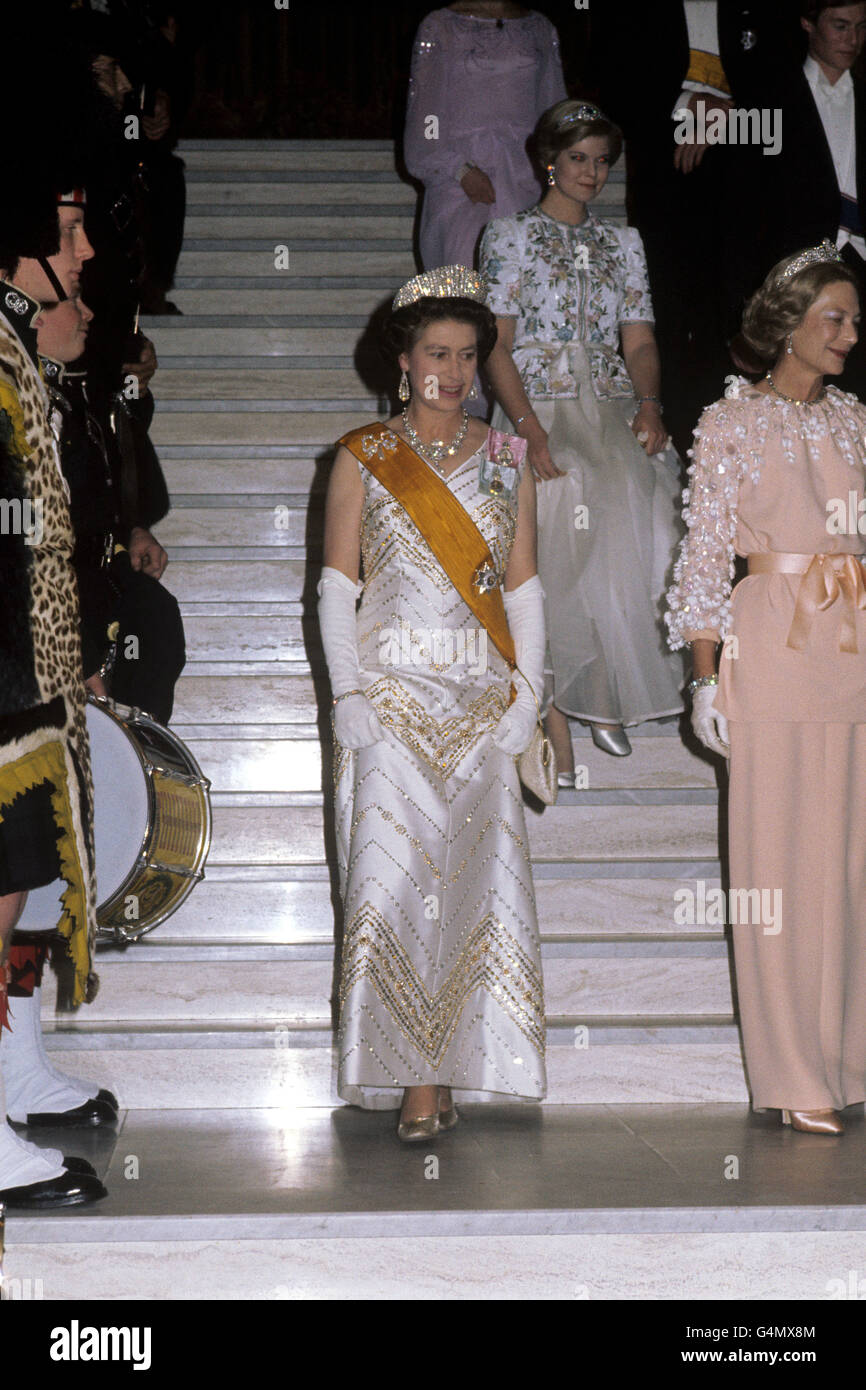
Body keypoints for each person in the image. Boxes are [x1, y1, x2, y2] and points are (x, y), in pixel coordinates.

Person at [319, 265, 546, 1139]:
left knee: (472, 894)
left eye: (468, 355)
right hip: (390, 700)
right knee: (393, 886)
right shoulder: (363, 456)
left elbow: (524, 592)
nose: (452, 371)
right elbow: (337, 589)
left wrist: (528, 697)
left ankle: (453, 1065)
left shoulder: (507, 460)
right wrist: (347, 693)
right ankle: (413, 1077)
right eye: (436, 353)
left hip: (480, 702)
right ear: (405, 361)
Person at [666, 241, 866, 1134]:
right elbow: (705, 555)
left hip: (856, 648)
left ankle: (851, 1057)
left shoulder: (858, 420)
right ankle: (794, 1073)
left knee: (853, 867)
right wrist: (704, 677)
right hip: (772, 650)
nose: (851, 335)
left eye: (855, 320)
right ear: (787, 323)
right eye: (835, 318)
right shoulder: (729, 422)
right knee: (778, 871)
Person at [479, 100, 685, 771]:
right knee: (567, 493)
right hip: (536, 404)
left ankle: (605, 690)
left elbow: (641, 338)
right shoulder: (508, 235)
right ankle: (560, 696)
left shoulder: (623, 241)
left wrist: (650, 405)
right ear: (548, 160)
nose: (591, 172)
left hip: (612, 404)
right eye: (578, 158)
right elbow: (494, 347)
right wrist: (531, 431)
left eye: (601, 161)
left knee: (639, 494)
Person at [0, 163, 107, 1205]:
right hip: (2, 679)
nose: (82, 256)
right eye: (66, 234)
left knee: (25, 874)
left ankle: (12, 1067)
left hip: (23, 671)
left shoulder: (16, 354)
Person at [403, 2, 566, 271]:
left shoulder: (540, 27)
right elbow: (427, 116)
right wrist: (457, 169)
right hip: (461, 182)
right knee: (466, 286)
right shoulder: (441, 26)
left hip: (525, 180)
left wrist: (555, 175)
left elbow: (553, 108)